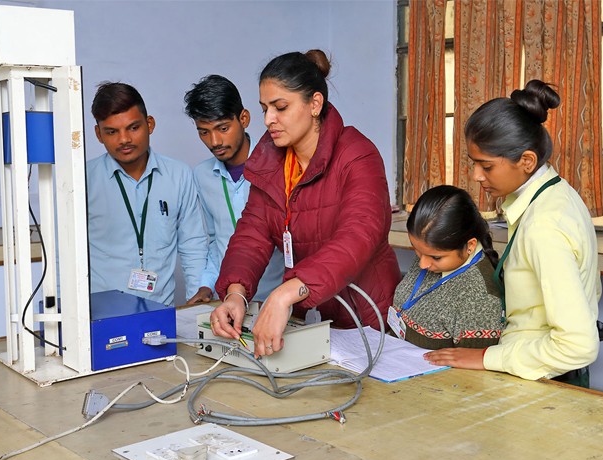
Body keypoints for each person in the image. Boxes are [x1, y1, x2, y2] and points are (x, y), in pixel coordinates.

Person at [210, 50, 401, 358]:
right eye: (264, 109)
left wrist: (285, 293)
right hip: (309, 319)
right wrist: (236, 294)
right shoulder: (271, 161)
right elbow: (252, 234)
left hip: (364, 321)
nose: (268, 119)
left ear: (314, 104)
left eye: (280, 107)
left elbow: (358, 237)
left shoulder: (357, 155)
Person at [425, 80, 601, 385]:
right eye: (474, 164)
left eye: (487, 166)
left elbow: (578, 346)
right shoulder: (553, 196)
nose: (477, 176)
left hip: (543, 378)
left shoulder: (543, 226)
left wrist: (486, 357)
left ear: (527, 161)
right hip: (530, 366)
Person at [87, 82, 207, 307]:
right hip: (101, 315)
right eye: (112, 131)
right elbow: (61, 255)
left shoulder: (178, 175)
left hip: (160, 310)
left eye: (133, 128)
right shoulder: (82, 181)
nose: (124, 139)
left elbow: (193, 244)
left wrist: (196, 303)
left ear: (149, 124)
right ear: (98, 134)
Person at [183, 75, 284, 305]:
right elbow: (214, 241)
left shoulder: (278, 165)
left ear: (244, 118)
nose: (215, 141)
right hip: (230, 301)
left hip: (276, 301)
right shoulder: (202, 175)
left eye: (223, 128)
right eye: (204, 132)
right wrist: (206, 285)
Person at [390, 185, 503, 349]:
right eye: (417, 250)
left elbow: (471, 370)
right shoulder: (430, 252)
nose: (422, 264)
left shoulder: (478, 296)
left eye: (436, 257)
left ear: (469, 246)